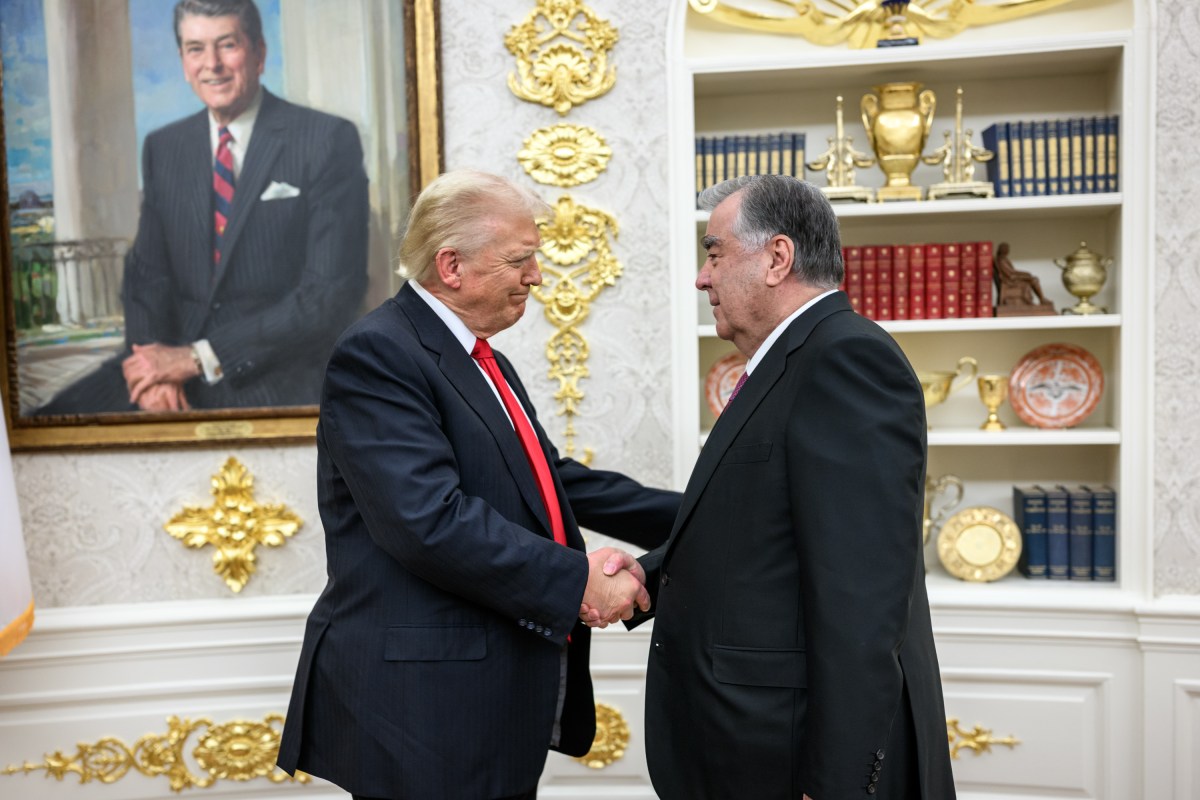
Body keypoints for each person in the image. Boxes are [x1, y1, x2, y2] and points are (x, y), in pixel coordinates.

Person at [276, 170, 681, 800]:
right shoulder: (379, 354)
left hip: (480, 698)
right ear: (452, 266)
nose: (538, 276)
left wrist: (702, 513)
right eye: (520, 259)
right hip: (421, 709)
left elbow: (553, 481)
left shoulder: (481, 355)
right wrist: (579, 579)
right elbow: (427, 521)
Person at [623, 175, 957, 799]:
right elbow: (762, 529)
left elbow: (858, 599)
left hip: (791, 757)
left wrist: (833, 785)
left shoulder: (845, 360)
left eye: (714, 252)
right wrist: (647, 576)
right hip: (751, 742)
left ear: (777, 258)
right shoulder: (792, 361)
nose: (702, 277)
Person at [36, 0, 367, 414]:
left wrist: (196, 358)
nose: (212, 64)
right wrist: (151, 370)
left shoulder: (325, 140)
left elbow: (328, 295)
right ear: (182, 60)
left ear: (259, 53)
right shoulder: (164, 147)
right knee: (42, 428)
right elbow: (145, 276)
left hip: (272, 370)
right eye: (195, 49)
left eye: (227, 44)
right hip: (169, 365)